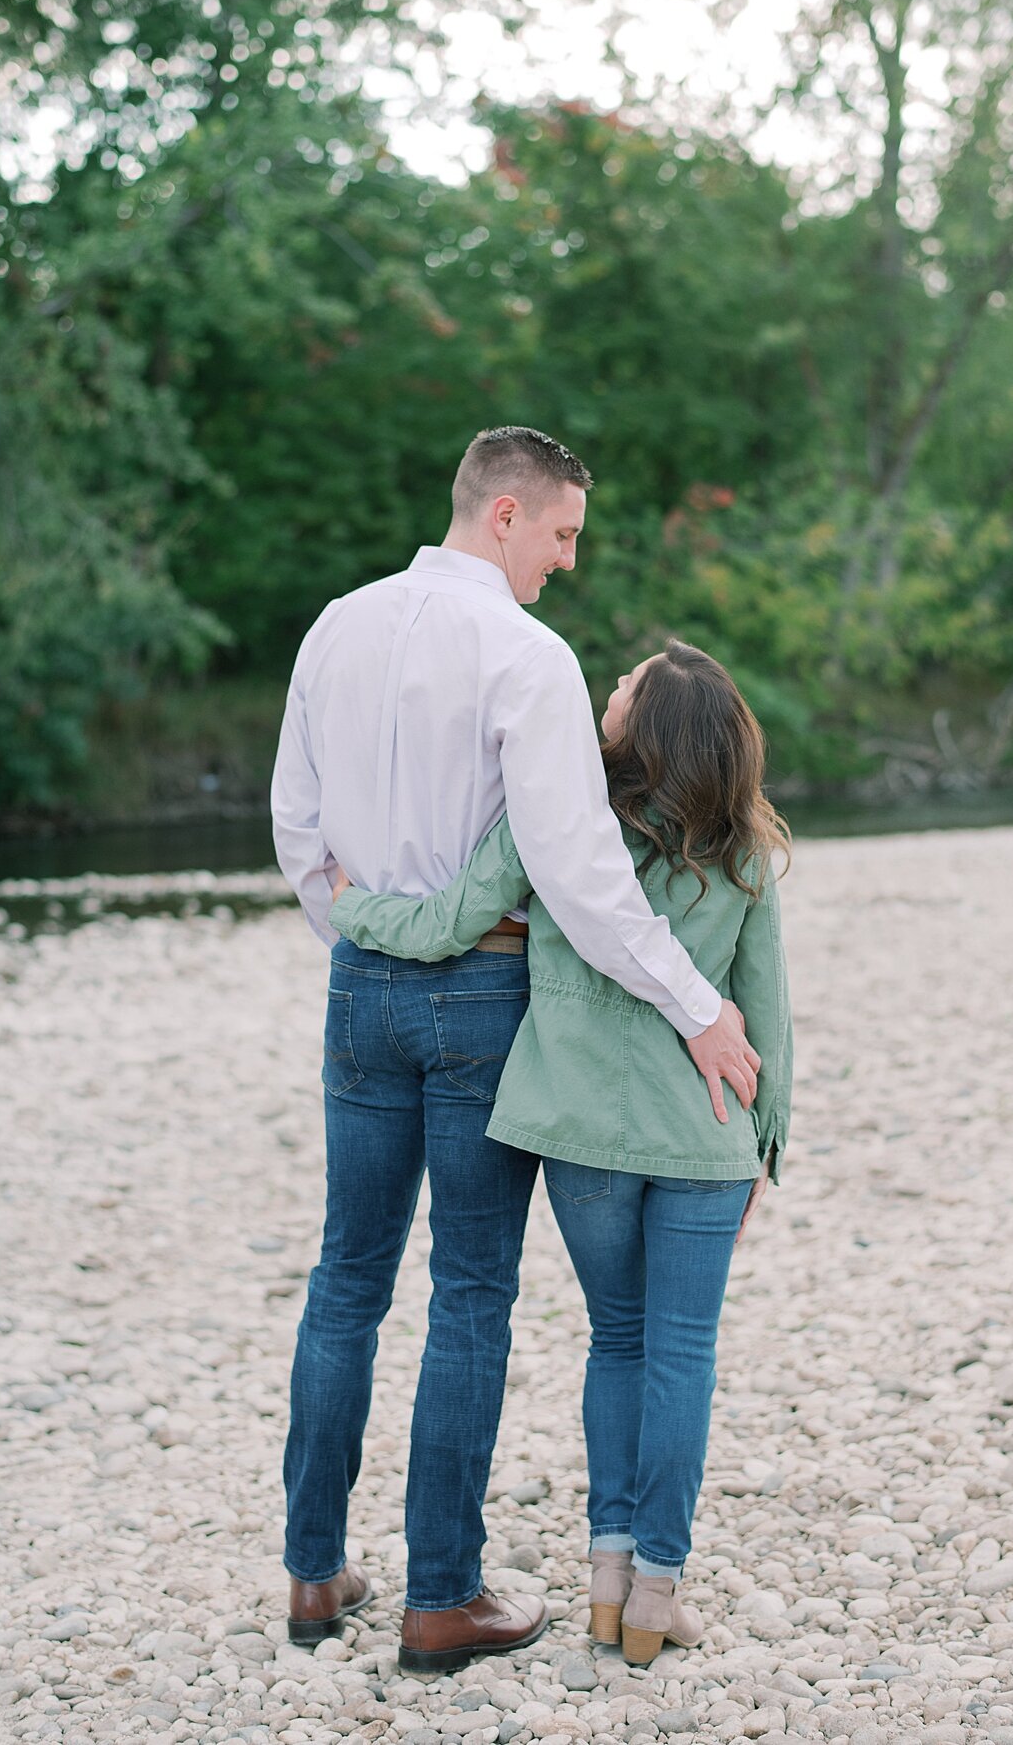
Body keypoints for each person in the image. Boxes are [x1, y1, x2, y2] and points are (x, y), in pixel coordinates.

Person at [270, 427, 761, 1674]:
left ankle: (315, 1576)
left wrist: (366, 932)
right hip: (483, 992)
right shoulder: (528, 654)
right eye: (561, 534)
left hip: (359, 989)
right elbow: (581, 873)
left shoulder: (335, 626)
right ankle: (441, 1596)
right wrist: (700, 1004)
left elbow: (295, 833)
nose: (567, 561)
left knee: (345, 1281)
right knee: (470, 1294)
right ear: (503, 513)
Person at [330, 640, 792, 1666]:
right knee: (680, 1355)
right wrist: (766, 1145)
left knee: (617, 1342)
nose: (609, 687)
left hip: (580, 1132)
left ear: (647, 725)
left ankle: (604, 1580)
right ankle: (655, 1594)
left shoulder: (556, 814)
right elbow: (767, 1014)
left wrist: (351, 902)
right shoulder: (745, 850)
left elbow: (449, 921)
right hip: (703, 1132)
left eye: (625, 684)